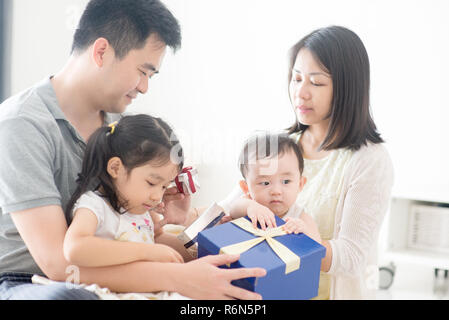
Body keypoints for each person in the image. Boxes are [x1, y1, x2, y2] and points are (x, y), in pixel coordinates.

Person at [0, 0, 265, 300]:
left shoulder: (124, 131)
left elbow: (148, 237)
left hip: (117, 269)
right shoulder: (22, 124)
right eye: (143, 71)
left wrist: (178, 220)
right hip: (31, 281)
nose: (144, 88)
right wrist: (175, 277)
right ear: (101, 52)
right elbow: (60, 265)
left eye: (151, 77)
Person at [213, 26, 394, 300]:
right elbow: (229, 208)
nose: (301, 92)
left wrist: (299, 242)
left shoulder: (369, 160)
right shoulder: (282, 146)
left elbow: (351, 257)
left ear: (347, 87)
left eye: (316, 83)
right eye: (296, 79)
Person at [63, 114, 193, 269]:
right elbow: (75, 248)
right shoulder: (94, 206)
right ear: (115, 168)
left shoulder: (142, 209)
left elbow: (159, 241)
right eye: (152, 183)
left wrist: (200, 251)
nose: (158, 197)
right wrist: (146, 252)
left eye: (164, 186)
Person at [224, 132, 321, 245]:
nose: (276, 191)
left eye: (286, 181)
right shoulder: (248, 203)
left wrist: (303, 230)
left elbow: (318, 243)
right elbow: (233, 209)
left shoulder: (299, 216)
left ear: (300, 185)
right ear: (246, 188)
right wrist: (251, 207)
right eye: (265, 183)